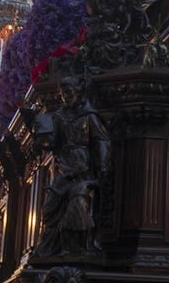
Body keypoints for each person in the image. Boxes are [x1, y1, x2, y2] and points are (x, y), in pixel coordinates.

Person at [34, 77, 111, 257]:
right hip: (63, 167)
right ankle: (52, 247)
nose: (65, 97)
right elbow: (52, 143)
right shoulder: (59, 116)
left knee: (78, 203)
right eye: (62, 94)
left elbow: (101, 141)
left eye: (68, 93)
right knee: (49, 209)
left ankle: (77, 248)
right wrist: (42, 138)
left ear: (78, 92)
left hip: (83, 169)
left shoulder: (88, 116)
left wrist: (103, 165)